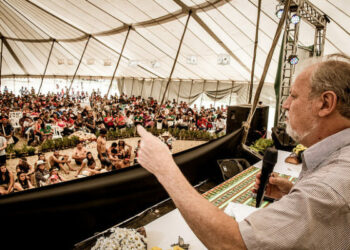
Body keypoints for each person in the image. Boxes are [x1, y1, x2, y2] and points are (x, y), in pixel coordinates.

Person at [136, 54, 350, 249]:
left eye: (294, 96)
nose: (285, 105)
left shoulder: (330, 186)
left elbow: (234, 244)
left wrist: (164, 168)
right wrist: (292, 192)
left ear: (325, 103)